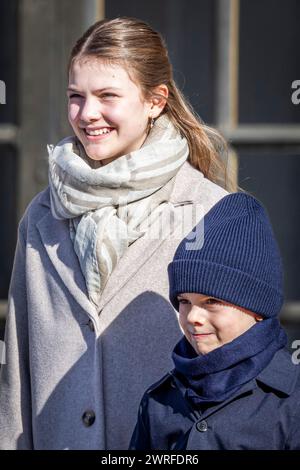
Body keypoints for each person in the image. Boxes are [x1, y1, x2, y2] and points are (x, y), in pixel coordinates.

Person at [0, 17, 230, 449]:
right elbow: (17, 366)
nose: (88, 114)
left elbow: (233, 364)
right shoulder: (42, 214)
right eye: (76, 97)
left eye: (107, 96)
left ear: (155, 101)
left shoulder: (209, 210)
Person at [129, 193, 300, 450]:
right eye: (184, 301)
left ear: (257, 308)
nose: (193, 317)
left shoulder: (292, 399)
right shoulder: (160, 400)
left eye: (211, 302)